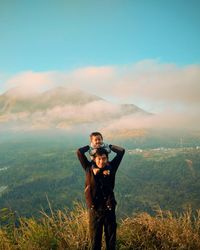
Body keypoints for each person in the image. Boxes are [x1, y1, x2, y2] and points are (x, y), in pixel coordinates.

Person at [77, 132, 125, 250]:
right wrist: (91, 146)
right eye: (99, 158)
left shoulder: (111, 167)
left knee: (111, 239)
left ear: (107, 159)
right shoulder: (89, 168)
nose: (101, 161)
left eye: (104, 158)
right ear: (94, 158)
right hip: (95, 210)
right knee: (95, 240)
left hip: (109, 208)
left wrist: (107, 146)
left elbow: (121, 151)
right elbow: (79, 152)